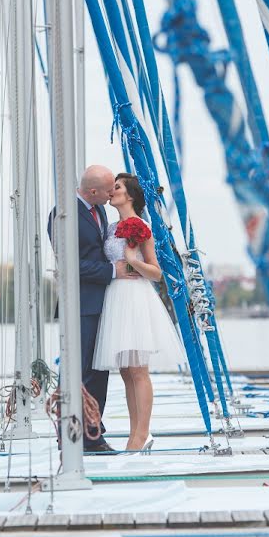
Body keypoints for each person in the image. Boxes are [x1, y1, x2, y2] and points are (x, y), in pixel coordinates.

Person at [48, 164, 138, 453]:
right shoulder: (62, 213)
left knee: (99, 372)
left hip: (104, 303)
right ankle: (69, 434)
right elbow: (70, 264)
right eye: (109, 188)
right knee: (78, 370)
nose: (113, 192)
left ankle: (93, 433)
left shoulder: (100, 210)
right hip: (80, 305)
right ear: (93, 191)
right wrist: (112, 270)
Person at [92, 173, 185, 452]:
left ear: (129, 195)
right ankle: (135, 432)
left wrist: (133, 262)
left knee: (138, 369)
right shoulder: (109, 228)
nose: (111, 191)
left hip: (135, 298)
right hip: (115, 297)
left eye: (116, 187)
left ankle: (142, 434)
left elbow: (156, 273)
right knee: (125, 370)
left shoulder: (141, 225)